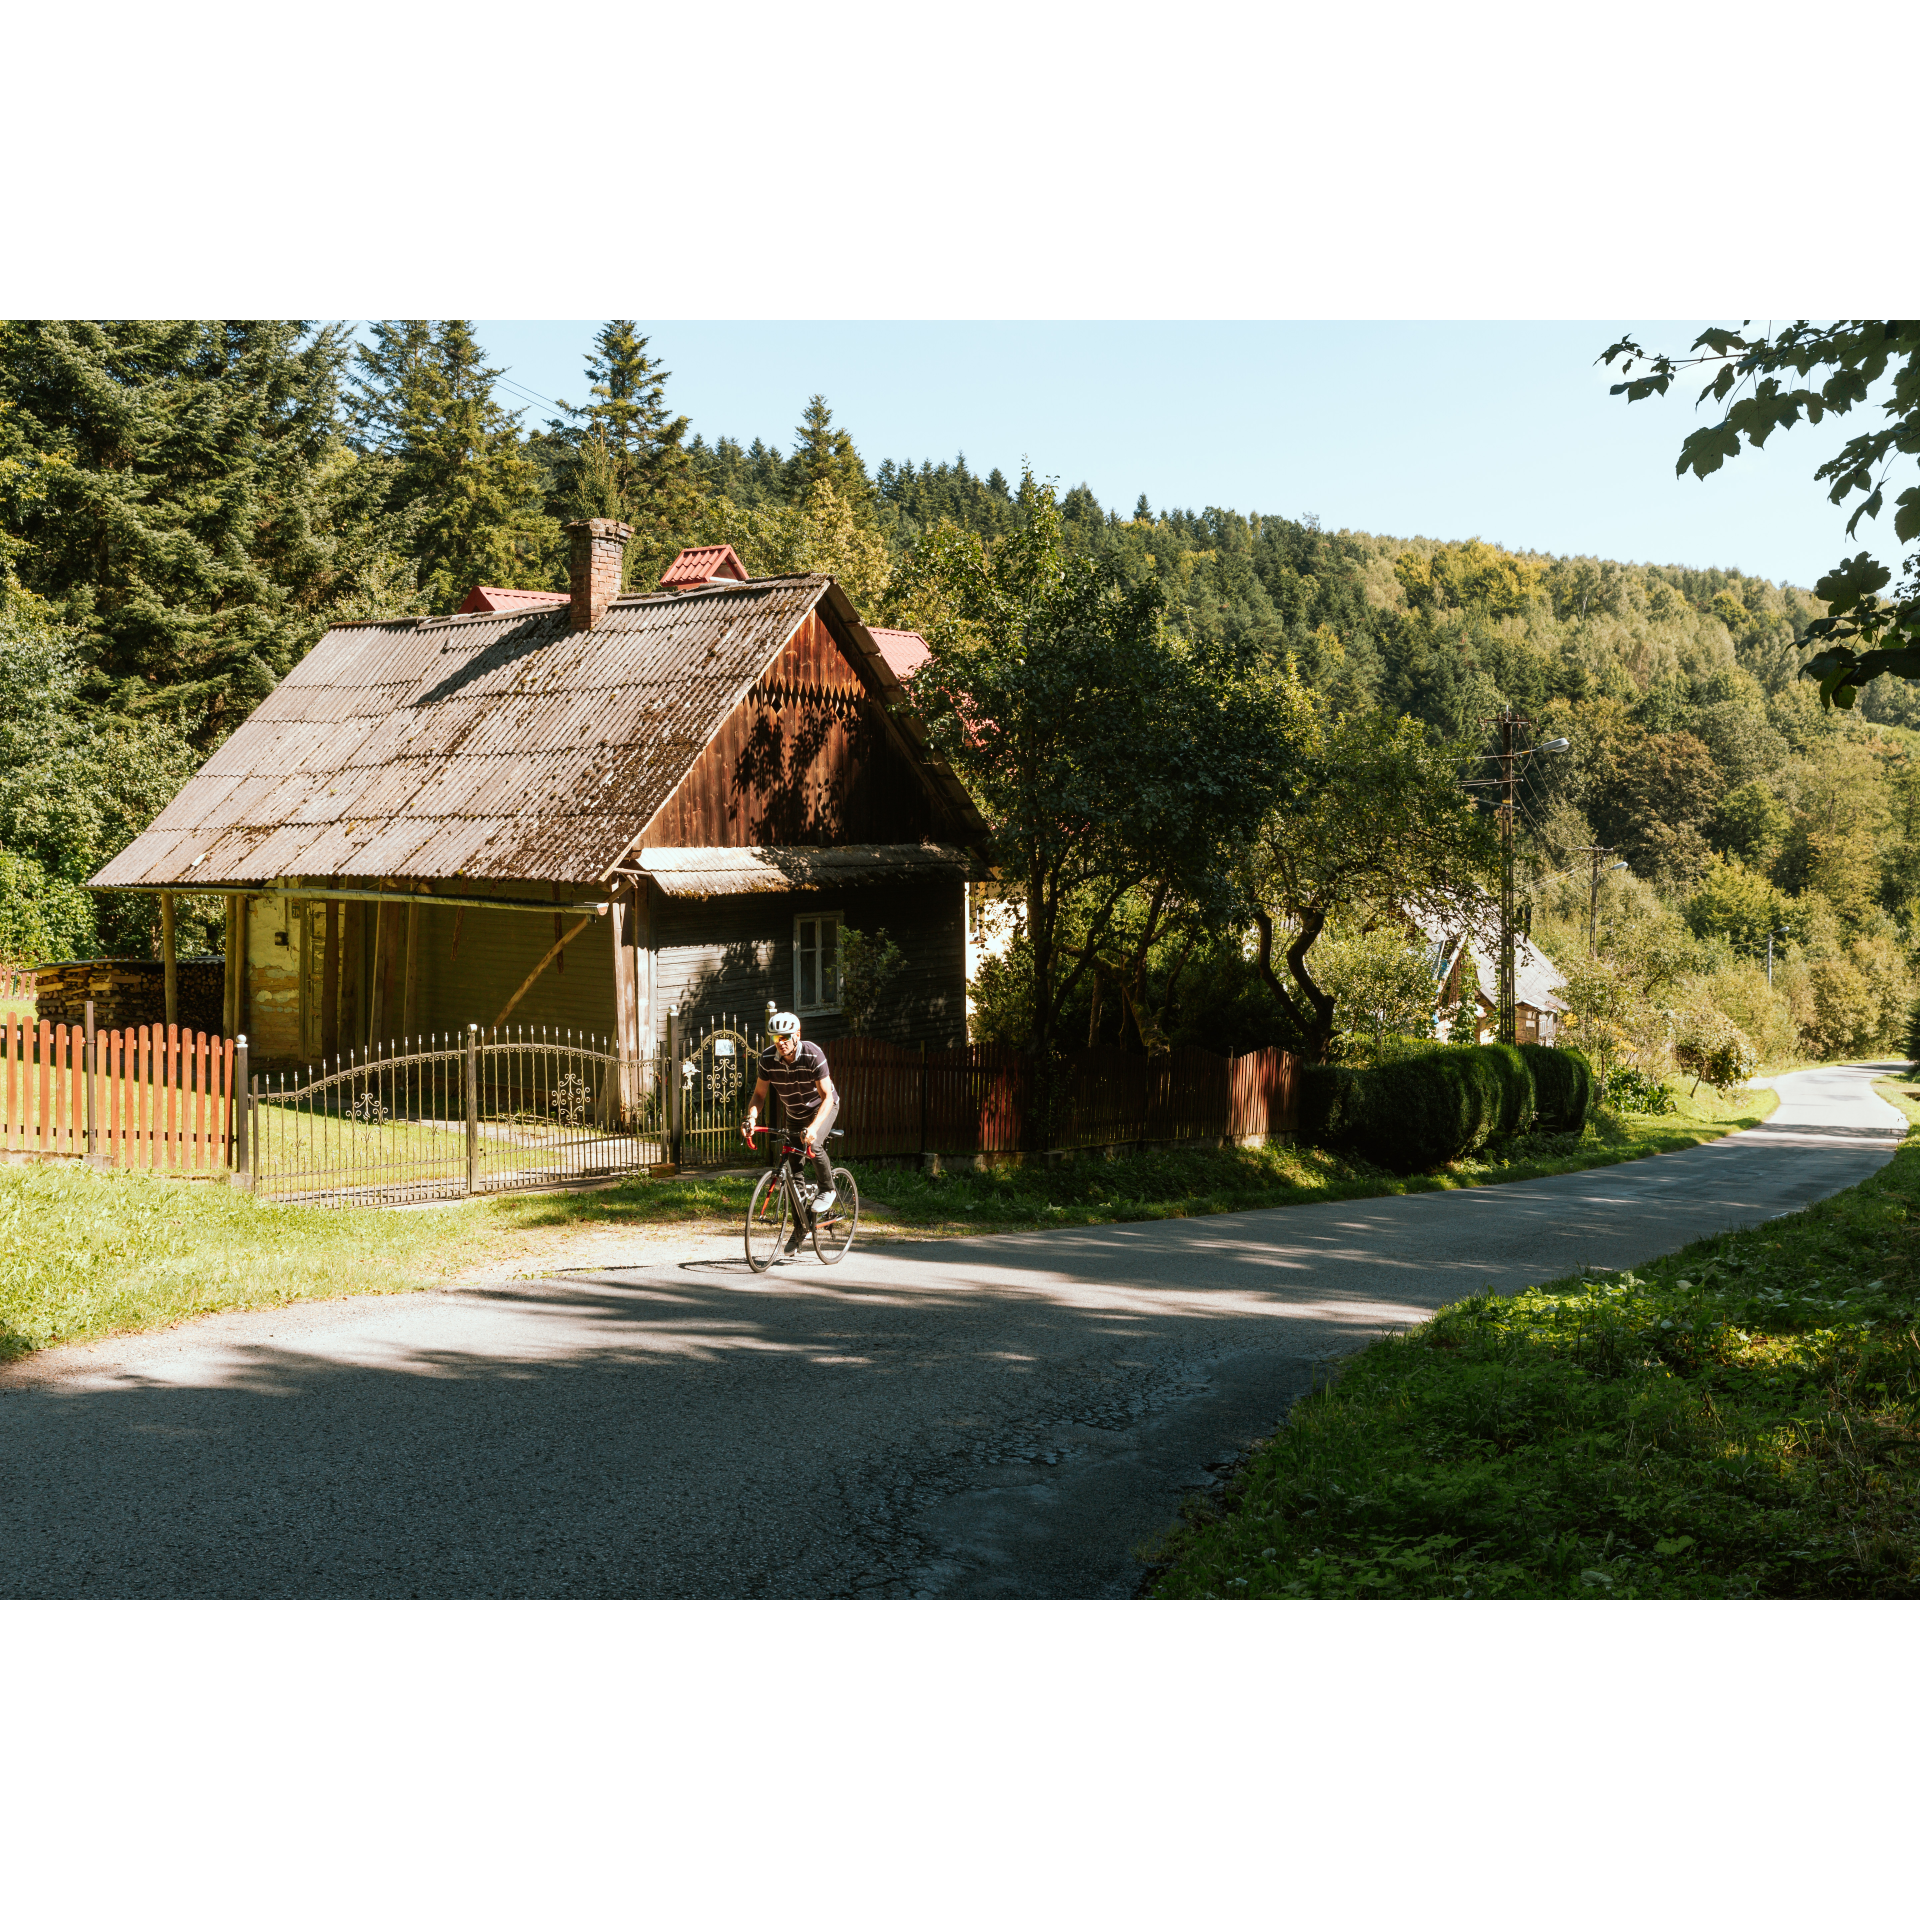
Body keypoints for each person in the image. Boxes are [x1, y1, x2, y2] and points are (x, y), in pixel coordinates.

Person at [742, 1011, 840, 1222]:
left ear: (797, 1034)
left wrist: (813, 1128)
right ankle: (799, 1229)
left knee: (812, 1146)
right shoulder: (767, 1059)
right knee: (794, 1169)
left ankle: (827, 1189)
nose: (781, 1042)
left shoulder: (813, 1054)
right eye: (776, 1038)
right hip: (794, 1112)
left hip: (821, 1106)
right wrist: (751, 1118)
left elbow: (827, 1098)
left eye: (785, 1037)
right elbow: (759, 1095)